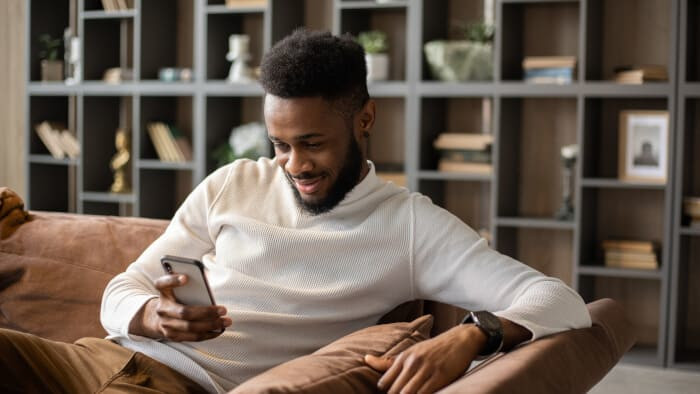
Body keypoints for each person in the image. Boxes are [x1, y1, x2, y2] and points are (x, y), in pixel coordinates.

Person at [0, 29, 590, 394]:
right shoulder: (233, 180)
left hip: (179, 387)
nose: (293, 164)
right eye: (279, 144)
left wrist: (472, 334)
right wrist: (152, 316)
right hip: (93, 357)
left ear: (364, 120)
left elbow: (561, 301)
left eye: (312, 143)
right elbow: (120, 289)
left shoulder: (410, 226)